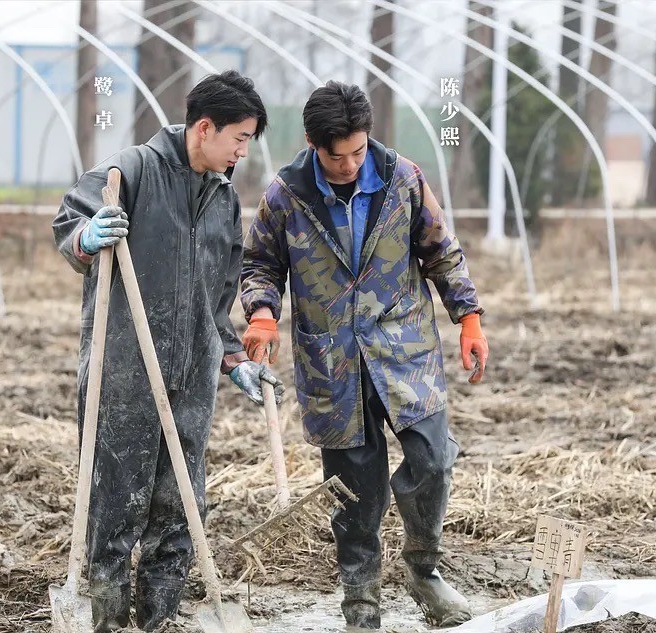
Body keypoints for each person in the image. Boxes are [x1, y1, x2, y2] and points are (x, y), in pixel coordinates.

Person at [239, 81, 488, 629]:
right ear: (312, 143)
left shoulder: (402, 179)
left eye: (358, 150)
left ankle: (423, 568)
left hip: (405, 353)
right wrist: (261, 312)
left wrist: (468, 318)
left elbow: (441, 251)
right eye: (337, 155)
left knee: (433, 459)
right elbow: (258, 264)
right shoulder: (285, 195)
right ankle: (361, 600)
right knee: (354, 488)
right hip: (332, 362)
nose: (350, 163)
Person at [52, 70, 284, 632]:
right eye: (239, 138)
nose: (243, 151)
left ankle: (157, 620)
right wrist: (85, 238)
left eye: (249, 140)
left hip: (192, 376)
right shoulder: (129, 171)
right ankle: (106, 618)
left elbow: (218, 296)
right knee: (118, 503)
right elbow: (69, 221)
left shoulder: (223, 199)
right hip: (125, 370)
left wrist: (233, 360)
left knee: (180, 508)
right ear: (205, 128)